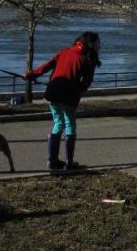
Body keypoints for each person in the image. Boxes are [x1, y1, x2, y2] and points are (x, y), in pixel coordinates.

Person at [25, 32, 101, 170]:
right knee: (70, 125)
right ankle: (69, 162)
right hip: (69, 97)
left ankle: (52, 161)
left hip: (53, 93)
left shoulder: (64, 51)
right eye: (98, 43)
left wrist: (32, 74)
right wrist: (77, 90)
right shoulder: (88, 59)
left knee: (58, 123)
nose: (100, 45)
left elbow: (47, 66)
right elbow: (86, 83)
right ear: (91, 44)